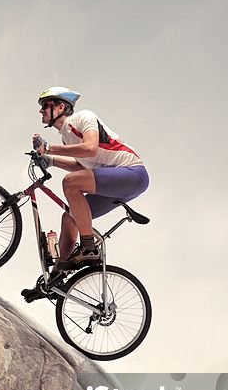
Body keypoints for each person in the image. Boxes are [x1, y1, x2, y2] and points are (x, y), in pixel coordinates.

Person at [22, 87, 149, 301]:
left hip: (132, 174)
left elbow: (90, 148)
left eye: (45, 105)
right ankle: (55, 278)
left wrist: (49, 149)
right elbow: (82, 168)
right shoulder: (66, 138)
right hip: (112, 183)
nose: (41, 111)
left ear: (61, 107)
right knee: (70, 218)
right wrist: (51, 161)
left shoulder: (83, 117)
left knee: (70, 184)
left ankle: (89, 247)